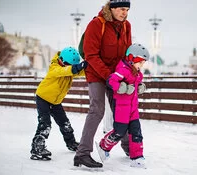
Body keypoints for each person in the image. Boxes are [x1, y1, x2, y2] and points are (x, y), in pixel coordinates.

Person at [74, 0, 132, 168]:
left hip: (115, 74)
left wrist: (126, 75)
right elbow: (91, 55)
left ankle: (130, 148)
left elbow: (127, 54)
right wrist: (109, 76)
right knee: (97, 110)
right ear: (111, 8)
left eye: (127, 10)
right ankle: (82, 154)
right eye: (121, 9)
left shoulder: (126, 26)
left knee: (122, 108)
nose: (124, 13)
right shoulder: (96, 24)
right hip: (96, 73)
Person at [96, 43, 149, 168]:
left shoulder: (137, 73)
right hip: (121, 107)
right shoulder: (123, 70)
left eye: (143, 63)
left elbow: (136, 83)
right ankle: (103, 147)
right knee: (119, 132)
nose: (141, 65)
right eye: (140, 62)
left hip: (133, 109)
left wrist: (140, 86)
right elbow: (111, 81)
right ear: (131, 58)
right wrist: (122, 87)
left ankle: (137, 157)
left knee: (136, 132)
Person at [30, 47, 87, 160]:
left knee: (65, 123)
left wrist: (89, 66)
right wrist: (74, 68)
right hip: (43, 98)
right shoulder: (54, 67)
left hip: (55, 102)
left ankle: (71, 143)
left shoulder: (68, 69)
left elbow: (80, 72)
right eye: (67, 64)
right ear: (61, 60)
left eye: (70, 65)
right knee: (45, 124)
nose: (68, 66)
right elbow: (64, 71)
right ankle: (37, 148)